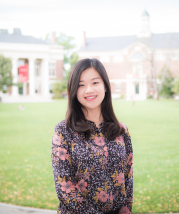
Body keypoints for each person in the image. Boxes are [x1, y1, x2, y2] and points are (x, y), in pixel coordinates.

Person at [51, 58, 133, 214]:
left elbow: (128, 182)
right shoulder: (63, 131)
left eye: (95, 83)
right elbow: (64, 187)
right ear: (74, 90)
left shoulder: (122, 130)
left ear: (105, 86)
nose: (89, 90)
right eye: (81, 85)